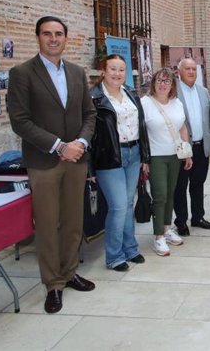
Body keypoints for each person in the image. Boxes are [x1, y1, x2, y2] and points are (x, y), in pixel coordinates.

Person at [7, 16, 96, 314]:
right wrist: (59, 146)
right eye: (47, 34)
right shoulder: (22, 74)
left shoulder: (76, 72)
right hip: (44, 161)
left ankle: (70, 272)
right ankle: (53, 284)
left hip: (76, 160)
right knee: (46, 225)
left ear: (66, 38)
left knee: (73, 221)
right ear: (38, 37)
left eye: (59, 34)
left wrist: (80, 144)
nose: (53, 38)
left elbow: (90, 114)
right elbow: (20, 121)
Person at [90, 54, 150, 271]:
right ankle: (114, 256)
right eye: (113, 69)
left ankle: (131, 249)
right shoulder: (94, 98)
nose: (117, 74)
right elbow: (88, 135)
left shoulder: (131, 94)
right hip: (109, 158)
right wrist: (89, 168)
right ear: (103, 72)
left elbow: (141, 126)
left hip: (133, 154)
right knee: (117, 206)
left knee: (127, 204)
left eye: (121, 69)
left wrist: (145, 157)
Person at [141, 68, 193, 256]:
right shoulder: (145, 103)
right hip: (156, 157)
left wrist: (187, 153)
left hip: (175, 156)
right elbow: (140, 133)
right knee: (160, 194)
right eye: (159, 81)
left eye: (167, 81)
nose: (163, 84)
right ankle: (158, 237)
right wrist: (144, 159)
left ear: (172, 85)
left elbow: (183, 128)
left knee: (171, 192)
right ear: (153, 83)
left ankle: (166, 228)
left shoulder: (176, 103)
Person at [173, 57, 210, 236]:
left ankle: (198, 217)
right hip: (183, 148)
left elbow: (209, 117)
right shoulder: (173, 92)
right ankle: (181, 221)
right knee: (180, 186)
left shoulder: (203, 91)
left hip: (201, 146)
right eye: (187, 69)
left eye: (193, 69)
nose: (191, 72)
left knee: (198, 184)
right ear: (179, 72)